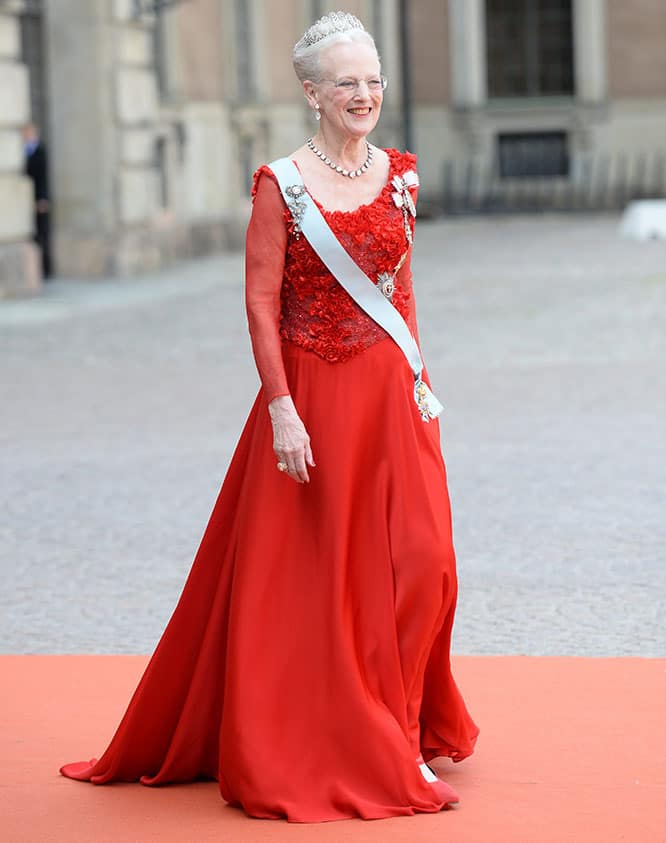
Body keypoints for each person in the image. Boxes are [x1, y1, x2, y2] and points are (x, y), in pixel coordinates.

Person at [59, 11, 479, 822]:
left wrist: (421, 381)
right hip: (313, 400)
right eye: (347, 82)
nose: (365, 94)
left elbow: (401, 289)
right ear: (313, 92)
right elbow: (258, 301)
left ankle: (397, 717)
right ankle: (370, 739)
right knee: (325, 580)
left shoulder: (401, 174)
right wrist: (283, 410)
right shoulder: (279, 184)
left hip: (393, 398)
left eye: (374, 79)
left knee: (426, 562)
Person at [22, 122, 52, 279]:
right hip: (25, 199)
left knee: (42, 234)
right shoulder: (23, 151)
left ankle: (46, 269)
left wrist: (42, 198)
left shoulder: (40, 151)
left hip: (39, 199)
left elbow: (44, 178)